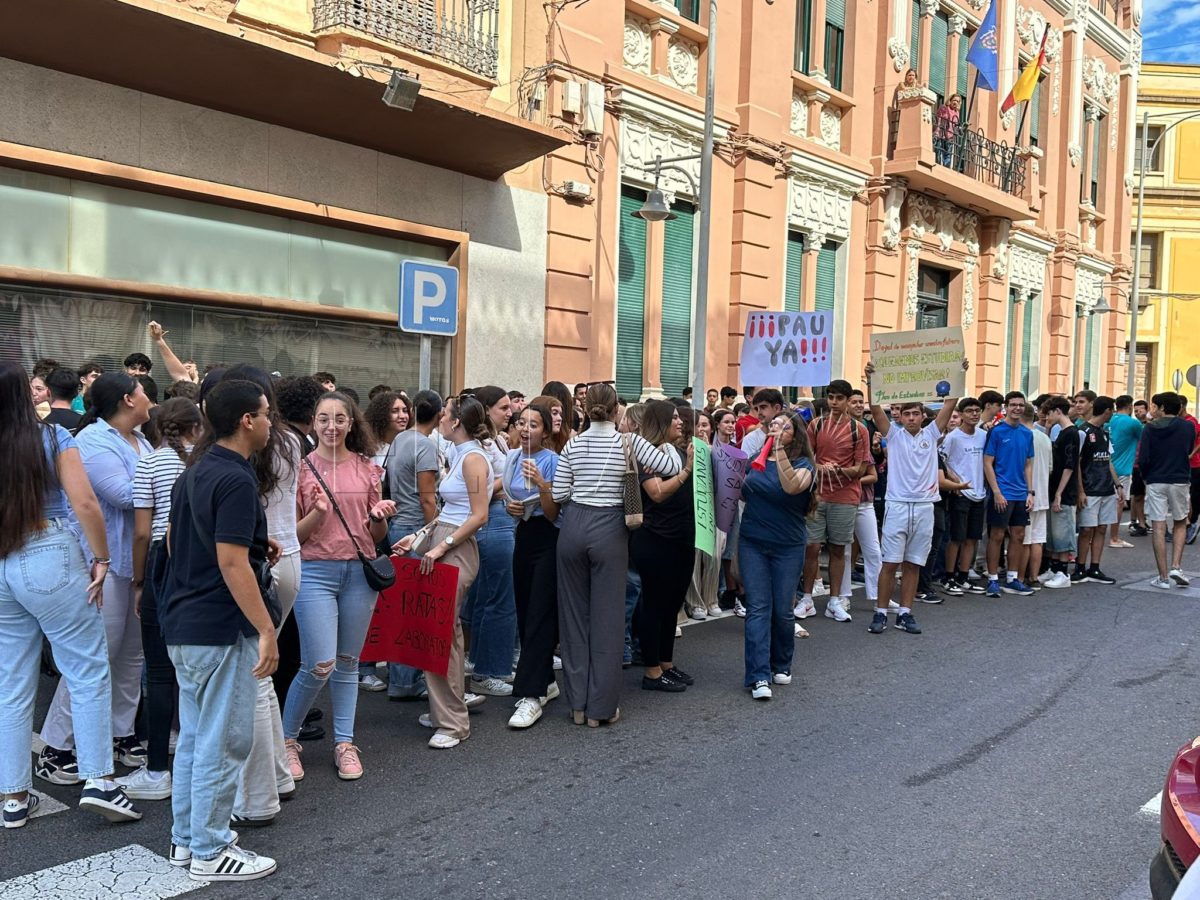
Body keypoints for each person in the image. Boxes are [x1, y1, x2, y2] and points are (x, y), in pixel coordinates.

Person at [0, 361, 142, 829]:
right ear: (25, 394)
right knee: (86, 668)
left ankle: (15, 796)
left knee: (12, 684)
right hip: (51, 548)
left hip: (4, 557)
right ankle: (101, 782)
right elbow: (84, 502)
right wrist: (101, 558)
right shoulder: (52, 437)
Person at [159, 378, 279, 881]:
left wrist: (254, 549)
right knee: (222, 741)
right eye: (266, 413)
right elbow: (231, 564)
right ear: (246, 420)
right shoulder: (234, 479)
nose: (271, 421)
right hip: (219, 626)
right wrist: (266, 629)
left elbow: (173, 544)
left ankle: (186, 841)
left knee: (194, 738)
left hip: (184, 622)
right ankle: (210, 848)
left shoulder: (193, 472)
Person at [38, 374, 153, 784]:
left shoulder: (141, 440)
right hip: (100, 563)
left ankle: (121, 734)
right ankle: (54, 747)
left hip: (136, 563)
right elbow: (125, 495)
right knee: (94, 656)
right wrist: (169, 479)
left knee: (131, 656)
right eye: (143, 393)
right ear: (127, 398)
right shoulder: (93, 443)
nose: (149, 399)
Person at [552, 383, 681, 727]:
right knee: (608, 620)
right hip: (610, 527)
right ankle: (601, 708)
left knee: (574, 620)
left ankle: (577, 705)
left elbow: (561, 491)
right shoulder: (630, 441)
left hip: (574, 525)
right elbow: (669, 466)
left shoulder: (573, 444)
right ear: (615, 411)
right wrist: (666, 442)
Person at [282, 392, 394, 780]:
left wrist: (378, 516)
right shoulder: (298, 470)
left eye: (340, 418)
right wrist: (317, 514)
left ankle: (344, 743)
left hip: (358, 575)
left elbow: (377, 535)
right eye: (324, 418)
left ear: (351, 423)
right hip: (314, 572)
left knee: (348, 663)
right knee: (318, 664)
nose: (332, 426)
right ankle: (287, 741)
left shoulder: (367, 468)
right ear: (313, 423)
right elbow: (290, 537)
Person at [221, 366, 300, 827]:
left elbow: (231, 556)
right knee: (263, 677)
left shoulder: (238, 461)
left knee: (253, 675)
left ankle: (257, 798)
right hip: (286, 555)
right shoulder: (290, 442)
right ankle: (276, 777)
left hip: (260, 564)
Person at [114, 398, 202, 803]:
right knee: (195, 669)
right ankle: (193, 759)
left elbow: (142, 533)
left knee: (159, 669)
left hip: (160, 567)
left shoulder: (149, 463)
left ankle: (157, 769)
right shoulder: (203, 462)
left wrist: (138, 581)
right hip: (200, 565)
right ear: (196, 426)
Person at [393, 395, 493, 749]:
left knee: (442, 635)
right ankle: (445, 712)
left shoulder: (473, 459)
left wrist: (440, 545)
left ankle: (452, 722)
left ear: (456, 422)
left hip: (456, 549)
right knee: (440, 634)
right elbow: (452, 509)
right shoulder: (460, 455)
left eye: (445, 415)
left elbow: (479, 515)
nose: (440, 420)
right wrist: (418, 538)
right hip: (444, 542)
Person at [864, 359, 966, 634]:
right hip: (897, 506)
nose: (910, 417)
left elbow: (950, 405)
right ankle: (881, 612)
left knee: (914, 563)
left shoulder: (932, 434)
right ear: (900, 416)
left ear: (923, 416)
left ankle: (906, 613)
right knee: (890, 563)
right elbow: (875, 409)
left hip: (924, 506)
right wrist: (871, 380)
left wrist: (958, 372)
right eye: (906, 413)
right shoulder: (893, 436)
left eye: (915, 414)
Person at [739, 410, 815, 700]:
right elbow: (743, 493)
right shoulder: (753, 461)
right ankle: (758, 676)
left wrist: (779, 450)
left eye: (783, 427)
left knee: (782, 610)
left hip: (788, 546)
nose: (776, 430)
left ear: (794, 434)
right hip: (753, 543)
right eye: (773, 425)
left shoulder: (804, 464)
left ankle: (781, 663)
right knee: (758, 607)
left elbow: (791, 486)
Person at [630, 401, 696, 694]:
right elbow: (656, 493)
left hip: (682, 539)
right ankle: (652, 671)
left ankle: (667, 664)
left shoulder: (679, 450)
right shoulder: (650, 454)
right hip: (656, 539)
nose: (680, 422)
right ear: (659, 423)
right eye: (673, 419)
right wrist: (686, 471)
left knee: (672, 604)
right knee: (655, 605)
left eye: (680, 417)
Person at [382, 390, 443, 701]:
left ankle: (400, 678)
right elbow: (427, 497)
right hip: (415, 528)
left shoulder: (400, 440)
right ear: (439, 414)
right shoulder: (426, 447)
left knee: (402, 606)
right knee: (417, 609)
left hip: (397, 526)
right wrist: (434, 532)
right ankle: (407, 681)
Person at [503, 403, 561, 729]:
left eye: (534, 424)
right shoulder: (512, 457)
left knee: (540, 610)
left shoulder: (553, 461)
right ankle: (547, 680)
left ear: (545, 431)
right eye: (521, 423)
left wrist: (542, 483)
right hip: (522, 535)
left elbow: (553, 513)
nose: (526, 429)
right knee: (524, 610)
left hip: (548, 538)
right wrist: (509, 506)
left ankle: (530, 694)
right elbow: (506, 495)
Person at [796, 379, 871, 623]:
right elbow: (807, 459)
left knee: (839, 549)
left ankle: (834, 600)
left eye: (839, 398)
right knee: (812, 547)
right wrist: (821, 467)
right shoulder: (816, 425)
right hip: (818, 495)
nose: (834, 402)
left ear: (849, 401)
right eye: (831, 397)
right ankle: (807, 599)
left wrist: (838, 470)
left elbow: (860, 469)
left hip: (846, 498)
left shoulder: (859, 430)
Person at [462, 386, 518, 697]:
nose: (510, 412)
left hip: (499, 518)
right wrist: (509, 479)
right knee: (498, 600)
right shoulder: (481, 445)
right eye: (503, 407)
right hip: (492, 520)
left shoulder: (495, 440)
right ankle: (489, 670)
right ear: (485, 409)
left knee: (488, 598)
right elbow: (481, 488)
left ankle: (482, 663)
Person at [359, 390, 410, 692]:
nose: (402, 415)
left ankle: (389, 661)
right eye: (395, 410)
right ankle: (364, 667)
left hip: (396, 528)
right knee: (372, 599)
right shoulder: (370, 449)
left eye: (405, 409)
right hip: (374, 529)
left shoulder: (405, 445)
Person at [982, 392, 1035, 597]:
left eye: (1020, 405)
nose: (1017, 408)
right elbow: (987, 462)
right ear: (1006, 407)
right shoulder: (996, 432)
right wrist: (996, 492)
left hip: (1021, 493)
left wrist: (1030, 492)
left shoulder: (1026, 433)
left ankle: (1013, 578)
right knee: (996, 535)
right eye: (1013, 405)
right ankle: (993, 579)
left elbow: (1028, 464)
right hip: (1001, 492)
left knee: (1018, 536)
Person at [1140, 392, 1194, 589]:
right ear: (1178, 408)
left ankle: (1162, 577)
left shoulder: (1150, 429)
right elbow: (1187, 448)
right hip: (1180, 478)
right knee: (1180, 521)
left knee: (1158, 525)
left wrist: (1145, 476)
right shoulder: (1188, 426)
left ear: (1162, 408)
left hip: (1156, 479)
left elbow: (1144, 457)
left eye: (1154, 406)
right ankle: (1176, 566)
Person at [940, 397, 988, 595]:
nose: (974, 414)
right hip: (961, 492)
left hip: (979, 492)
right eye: (969, 411)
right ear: (961, 414)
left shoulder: (984, 435)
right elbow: (941, 459)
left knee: (972, 538)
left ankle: (963, 576)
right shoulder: (953, 437)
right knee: (956, 537)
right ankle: (948, 577)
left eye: (977, 410)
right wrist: (953, 479)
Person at [1073, 396, 1120, 586]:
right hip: (1090, 489)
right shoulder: (1082, 431)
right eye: (1112, 410)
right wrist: (1080, 491)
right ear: (1107, 411)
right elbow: (1076, 462)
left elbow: (1108, 460)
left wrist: (1118, 485)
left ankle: (1095, 567)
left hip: (1106, 489)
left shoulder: (1105, 432)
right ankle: (1080, 567)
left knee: (1101, 528)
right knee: (1086, 530)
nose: (1113, 413)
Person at [1042, 398, 1079, 588]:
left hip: (1063, 491)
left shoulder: (1071, 433)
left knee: (1063, 532)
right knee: (1054, 533)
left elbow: (1069, 465)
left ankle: (1063, 572)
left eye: (1049, 413)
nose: (1047, 417)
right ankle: (1055, 568)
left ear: (1057, 411)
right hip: (1055, 488)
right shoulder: (1062, 433)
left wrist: (1059, 493)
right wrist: (1048, 429)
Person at [1020, 401, 1052, 591]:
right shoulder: (1044, 438)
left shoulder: (1022, 436)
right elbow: (1050, 468)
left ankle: (1021, 576)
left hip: (1025, 493)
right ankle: (1034, 576)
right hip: (1042, 493)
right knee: (1037, 540)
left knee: (1024, 539)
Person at [1107, 395, 1143, 549]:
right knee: (1119, 503)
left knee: (1103, 503)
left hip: (1107, 466)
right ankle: (1114, 538)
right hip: (1122, 469)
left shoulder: (1110, 421)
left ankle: (1098, 536)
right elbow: (1144, 439)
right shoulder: (1133, 423)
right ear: (1130, 406)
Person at [741, 389, 784, 460]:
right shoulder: (750, 439)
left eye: (763, 407)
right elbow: (747, 468)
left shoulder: (790, 435)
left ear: (777, 408)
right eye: (756, 409)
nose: (759, 412)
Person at [935, 94, 962, 167]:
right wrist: (936, 132)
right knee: (939, 153)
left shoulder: (957, 113)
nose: (955, 102)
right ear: (950, 100)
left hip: (950, 136)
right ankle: (938, 166)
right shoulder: (943, 108)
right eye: (954, 100)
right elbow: (939, 119)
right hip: (941, 134)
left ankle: (945, 168)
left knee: (948, 155)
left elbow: (955, 125)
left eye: (958, 101)